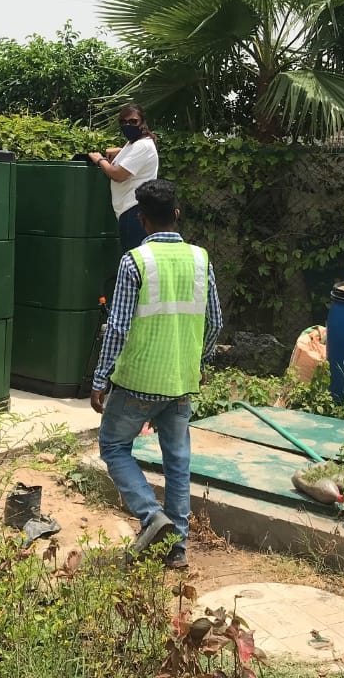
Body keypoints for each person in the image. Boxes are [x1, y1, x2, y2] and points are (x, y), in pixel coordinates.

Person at [89, 178, 222, 570]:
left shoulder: (135, 261)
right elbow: (215, 321)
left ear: (142, 220)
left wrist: (100, 378)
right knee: (177, 462)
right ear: (176, 215)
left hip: (137, 381)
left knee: (114, 447)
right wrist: (199, 360)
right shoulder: (201, 260)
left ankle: (152, 516)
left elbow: (117, 326)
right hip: (181, 380)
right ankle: (177, 549)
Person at [88, 102, 159, 253]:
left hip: (135, 209)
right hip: (129, 209)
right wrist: (120, 151)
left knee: (134, 258)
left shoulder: (142, 145)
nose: (128, 125)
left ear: (142, 122)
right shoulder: (135, 144)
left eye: (133, 121)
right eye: (123, 122)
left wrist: (99, 159)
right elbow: (134, 158)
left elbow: (118, 174)